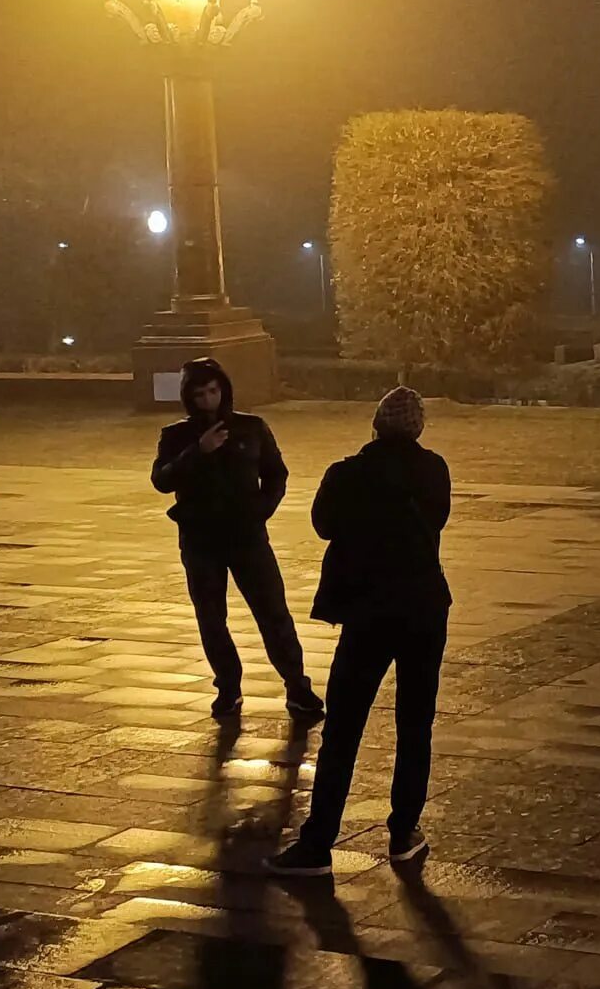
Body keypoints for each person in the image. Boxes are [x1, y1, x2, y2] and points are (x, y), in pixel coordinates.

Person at [268, 385, 452, 875]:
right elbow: (438, 519)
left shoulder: (347, 473)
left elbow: (323, 526)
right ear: (418, 428)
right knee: (415, 725)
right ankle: (403, 833)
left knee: (344, 729)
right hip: (423, 608)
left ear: (375, 424)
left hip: (368, 612)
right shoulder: (433, 470)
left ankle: (318, 841)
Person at [150, 357, 325, 725]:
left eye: (213, 391)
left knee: (273, 612)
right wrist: (198, 451)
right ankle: (228, 687)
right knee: (212, 617)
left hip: (247, 536)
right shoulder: (176, 436)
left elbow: (276, 473)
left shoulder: (251, 428)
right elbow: (162, 480)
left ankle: (297, 686)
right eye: (199, 394)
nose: (208, 400)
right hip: (200, 539)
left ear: (224, 390)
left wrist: (261, 509)